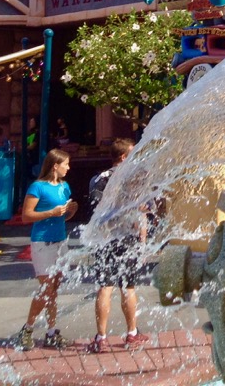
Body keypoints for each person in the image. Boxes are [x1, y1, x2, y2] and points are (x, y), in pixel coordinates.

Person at [85, 138, 150, 352]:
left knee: (105, 287)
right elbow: (143, 210)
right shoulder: (135, 178)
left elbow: (95, 210)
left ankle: (101, 337)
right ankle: (131, 334)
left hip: (105, 239)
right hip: (127, 238)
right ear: (123, 157)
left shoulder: (98, 179)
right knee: (128, 287)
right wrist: (142, 241)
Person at [10, 148, 79, 349]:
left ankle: (51, 331)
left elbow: (63, 216)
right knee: (46, 289)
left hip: (60, 240)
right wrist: (51, 212)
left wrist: (70, 211)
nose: (68, 168)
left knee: (54, 289)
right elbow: (26, 216)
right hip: (43, 242)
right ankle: (28, 328)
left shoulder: (64, 187)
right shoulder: (37, 187)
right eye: (66, 164)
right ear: (55, 166)